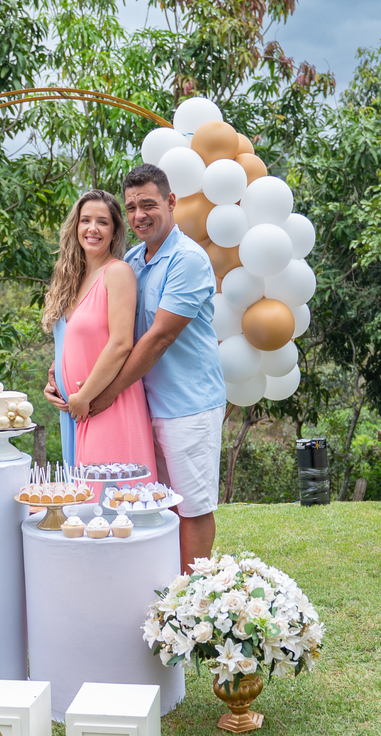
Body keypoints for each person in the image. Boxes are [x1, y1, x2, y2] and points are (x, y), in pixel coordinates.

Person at [49, 164, 226, 573]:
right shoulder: (133, 260)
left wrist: (103, 394)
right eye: (131, 207)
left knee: (191, 507)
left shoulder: (187, 259)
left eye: (148, 204)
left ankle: (191, 593)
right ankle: (162, 583)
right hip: (143, 403)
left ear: (171, 201)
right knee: (154, 505)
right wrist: (59, 376)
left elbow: (159, 337)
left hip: (186, 404)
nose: (139, 214)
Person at [41, 189, 157, 481]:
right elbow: (75, 342)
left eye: (102, 222)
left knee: (107, 497)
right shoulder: (70, 280)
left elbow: (120, 344)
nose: (92, 229)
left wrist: (84, 396)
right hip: (74, 410)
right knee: (82, 498)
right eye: (86, 220)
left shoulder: (117, 273)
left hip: (105, 405)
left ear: (115, 231)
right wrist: (55, 380)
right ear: (75, 226)